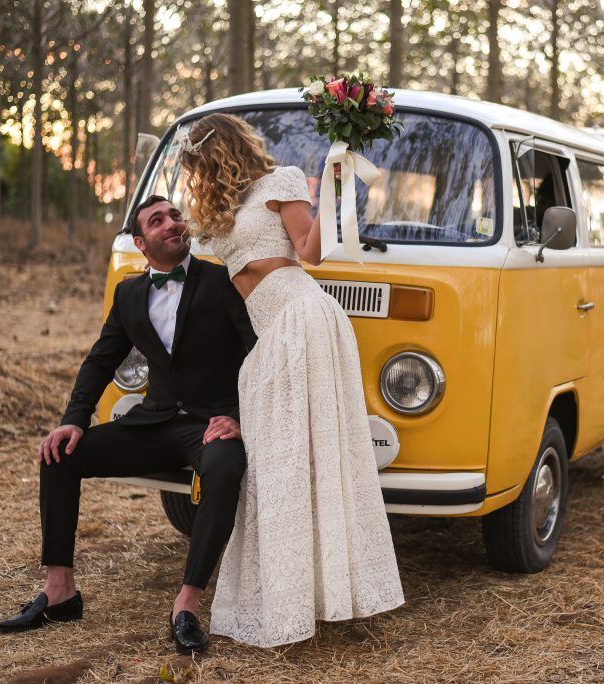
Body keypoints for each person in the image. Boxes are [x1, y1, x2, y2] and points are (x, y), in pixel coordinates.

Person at [179, 113, 404, 648]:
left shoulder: (280, 182)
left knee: (303, 459)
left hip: (303, 318)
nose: (196, 174)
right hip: (270, 334)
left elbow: (310, 250)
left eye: (198, 162)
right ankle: (288, 598)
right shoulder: (220, 206)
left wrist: (333, 186)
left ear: (220, 151)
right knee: (277, 466)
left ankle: (321, 598)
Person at [0, 195, 256, 654]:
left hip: (211, 425)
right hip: (155, 422)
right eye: (157, 221)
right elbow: (100, 360)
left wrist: (239, 416)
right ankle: (60, 593)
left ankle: (186, 606)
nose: (172, 223)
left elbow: (258, 350)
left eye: (175, 215)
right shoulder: (129, 294)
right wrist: (73, 420)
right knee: (59, 456)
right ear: (140, 243)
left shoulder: (222, 281)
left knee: (222, 469)